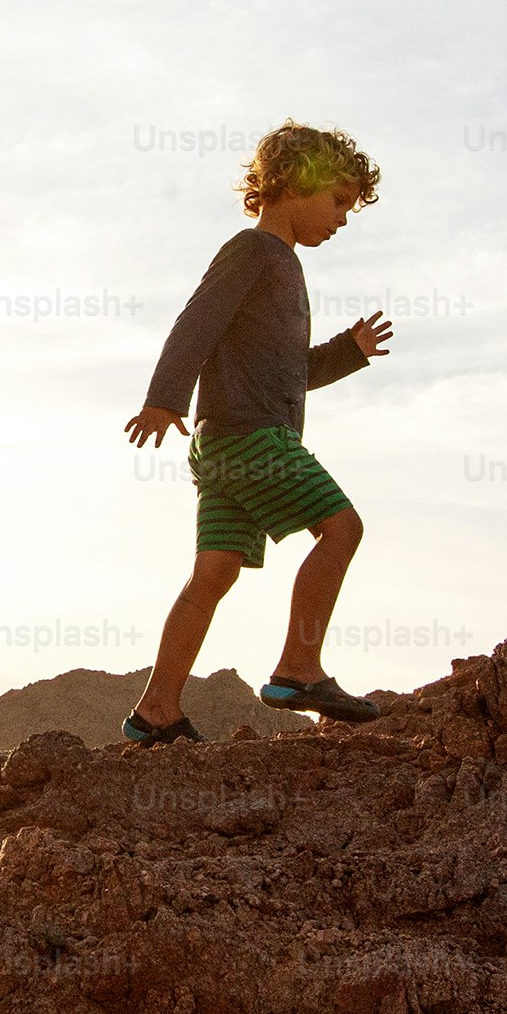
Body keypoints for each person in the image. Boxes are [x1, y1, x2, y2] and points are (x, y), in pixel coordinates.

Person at [122, 122, 394, 742]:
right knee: (342, 528)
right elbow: (197, 323)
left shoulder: (284, 267)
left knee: (212, 575)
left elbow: (289, 373)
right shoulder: (254, 251)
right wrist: (163, 399)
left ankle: (156, 709)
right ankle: (299, 668)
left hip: (223, 445)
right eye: (339, 201)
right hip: (252, 440)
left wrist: (346, 352)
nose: (343, 218)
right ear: (297, 183)